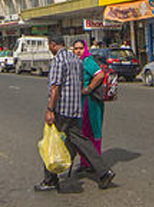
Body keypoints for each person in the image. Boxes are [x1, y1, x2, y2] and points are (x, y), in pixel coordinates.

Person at [36, 35, 115, 193]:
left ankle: (50, 179)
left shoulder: (59, 60)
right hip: (75, 107)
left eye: (49, 45)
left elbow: (55, 87)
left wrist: (50, 109)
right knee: (80, 141)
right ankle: (104, 172)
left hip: (61, 109)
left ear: (53, 45)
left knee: (51, 141)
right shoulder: (76, 60)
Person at [72, 40, 106, 170]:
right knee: (83, 133)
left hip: (90, 102)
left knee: (93, 131)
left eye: (80, 48)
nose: (78, 51)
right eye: (76, 49)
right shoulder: (77, 62)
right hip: (80, 102)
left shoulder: (88, 61)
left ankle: (95, 163)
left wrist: (89, 88)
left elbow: (99, 75)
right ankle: (85, 162)